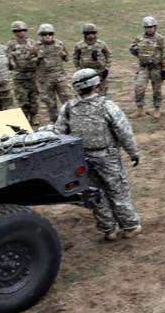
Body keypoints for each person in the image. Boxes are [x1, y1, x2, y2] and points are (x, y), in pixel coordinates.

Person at [54, 69, 142, 241]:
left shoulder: (68, 108)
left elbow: (58, 132)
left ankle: (108, 230)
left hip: (83, 159)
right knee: (118, 191)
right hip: (107, 158)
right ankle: (130, 226)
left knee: (96, 194)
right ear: (95, 85)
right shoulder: (107, 106)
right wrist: (133, 153)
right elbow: (124, 131)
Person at [129, 15, 165, 121]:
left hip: (156, 68)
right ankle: (140, 109)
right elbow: (132, 48)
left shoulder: (160, 39)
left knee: (157, 90)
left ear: (155, 27)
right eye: (147, 27)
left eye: (151, 27)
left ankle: (157, 109)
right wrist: (138, 51)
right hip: (143, 68)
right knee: (138, 87)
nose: (149, 29)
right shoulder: (140, 38)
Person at [6, 21, 41, 128]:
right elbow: (7, 59)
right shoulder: (11, 45)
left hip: (32, 75)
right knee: (22, 98)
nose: (22, 32)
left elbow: (38, 55)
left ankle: (34, 115)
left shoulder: (32, 43)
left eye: (23, 30)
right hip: (19, 76)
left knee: (34, 97)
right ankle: (24, 117)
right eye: (19, 31)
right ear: (14, 32)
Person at [35, 23, 72, 123]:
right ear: (40, 35)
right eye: (44, 34)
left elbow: (66, 58)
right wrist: (37, 58)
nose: (47, 36)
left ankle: (72, 120)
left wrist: (64, 55)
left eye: (50, 34)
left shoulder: (59, 44)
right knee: (51, 104)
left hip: (60, 78)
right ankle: (56, 123)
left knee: (69, 99)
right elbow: (29, 63)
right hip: (45, 81)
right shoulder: (36, 46)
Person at [73, 23, 112, 97]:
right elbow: (75, 58)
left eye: (92, 33)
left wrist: (106, 68)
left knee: (102, 95)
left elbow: (109, 55)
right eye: (88, 33)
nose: (90, 35)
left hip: (100, 73)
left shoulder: (101, 44)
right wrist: (79, 69)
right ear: (84, 34)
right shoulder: (79, 45)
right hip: (85, 75)